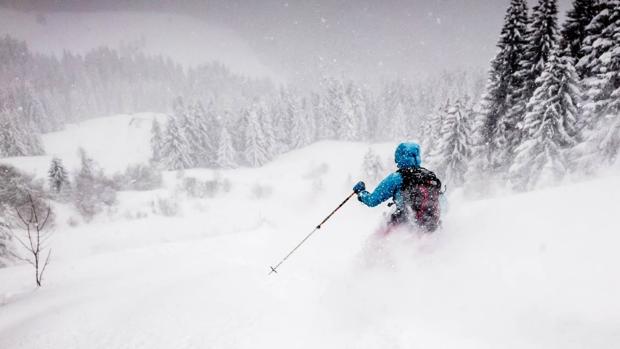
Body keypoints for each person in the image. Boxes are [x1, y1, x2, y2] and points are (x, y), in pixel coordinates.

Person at [353, 142, 443, 233]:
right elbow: (443, 204)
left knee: (375, 243)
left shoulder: (397, 178)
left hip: (403, 226)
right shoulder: (429, 176)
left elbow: (372, 200)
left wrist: (361, 192)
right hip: (431, 228)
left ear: (399, 158)